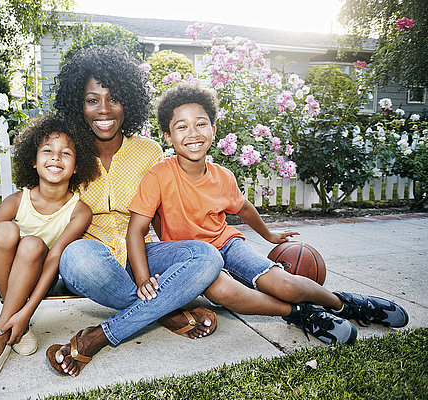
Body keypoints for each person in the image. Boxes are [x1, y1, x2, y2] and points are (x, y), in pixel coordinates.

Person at [127, 82, 409, 345]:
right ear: (168, 135)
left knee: (283, 284)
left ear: (213, 129)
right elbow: (136, 231)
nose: (193, 133)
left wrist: (269, 234)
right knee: (223, 293)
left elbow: (244, 209)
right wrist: (143, 279)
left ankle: (344, 303)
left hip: (226, 244)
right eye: (181, 127)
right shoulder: (159, 175)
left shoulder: (223, 177)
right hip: (194, 257)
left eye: (201, 124)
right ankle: (299, 314)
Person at [47, 46, 224, 377]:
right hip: (92, 260)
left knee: (208, 258)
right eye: (92, 100)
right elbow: (45, 207)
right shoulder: (69, 151)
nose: (104, 109)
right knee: (76, 256)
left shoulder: (149, 151)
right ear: (78, 104)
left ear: (129, 101)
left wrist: (183, 252)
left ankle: (99, 336)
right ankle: (165, 311)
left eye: (114, 98)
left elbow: (163, 215)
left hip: (140, 255)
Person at [0, 113, 99, 385]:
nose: (55, 158)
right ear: (34, 162)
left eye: (66, 153)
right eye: (47, 151)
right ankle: (16, 325)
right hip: (0, 274)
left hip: (40, 280)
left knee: (33, 244)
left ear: (76, 167)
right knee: (4, 231)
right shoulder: (16, 201)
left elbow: (53, 260)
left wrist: (28, 312)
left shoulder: (80, 211)